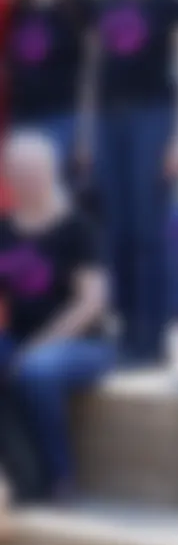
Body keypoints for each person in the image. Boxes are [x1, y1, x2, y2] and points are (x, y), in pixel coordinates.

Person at [90, 0, 178, 364]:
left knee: (146, 232)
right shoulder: (103, 0)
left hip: (153, 120)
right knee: (111, 232)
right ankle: (118, 335)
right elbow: (90, 70)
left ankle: (148, 339)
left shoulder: (174, 2)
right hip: (106, 122)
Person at [0, 132, 114, 499]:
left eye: (33, 172)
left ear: (51, 172)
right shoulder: (5, 229)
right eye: (18, 173)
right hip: (20, 338)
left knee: (37, 370)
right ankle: (19, 472)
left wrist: (39, 345)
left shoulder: (76, 228)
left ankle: (58, 477)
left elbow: (91, 302)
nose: (26, 181)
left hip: (81, 343)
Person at [3, 0, 91, 163]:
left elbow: (91, 73)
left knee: (63, 195)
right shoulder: (17, 6)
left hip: (63, 117)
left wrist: (86, 133)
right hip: (23, 117)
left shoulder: (81, 5)